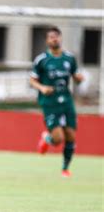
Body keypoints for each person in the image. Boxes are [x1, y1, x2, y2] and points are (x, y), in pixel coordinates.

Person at [30, 27, 84, 177]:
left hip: (66, 100)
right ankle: (47, 138)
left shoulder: (69, 58)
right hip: (50, 101)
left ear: (60, 38)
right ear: (47, 41)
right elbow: (32, 80)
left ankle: (65, 169)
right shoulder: (42, 60)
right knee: (58, 138)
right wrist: (42, 88)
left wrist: (79, 79)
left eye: (57, 36)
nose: (54, 39)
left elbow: (76, 76)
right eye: (51, 37)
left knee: (71, 135)